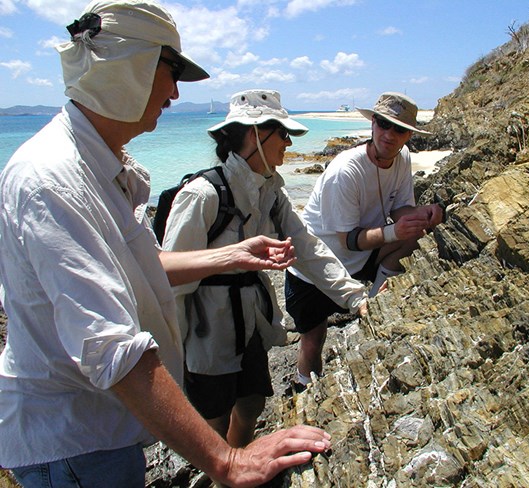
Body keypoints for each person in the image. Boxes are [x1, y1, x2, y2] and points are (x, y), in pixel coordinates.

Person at [0, 2, 330, 487]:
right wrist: (227, 461)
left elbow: (138, 265)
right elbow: (109, 347)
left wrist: (230, 256)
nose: (175, 94)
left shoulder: (98, 167)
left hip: (103, 431)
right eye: (170, 70)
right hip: (74, 443)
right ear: (127, 64)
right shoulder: (54, 180)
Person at [162, 89, 368, 445]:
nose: (288, 143)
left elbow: (307, 247)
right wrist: (173, 355)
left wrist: (355, 297)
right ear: (255, 134)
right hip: (205, 331)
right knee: (213, 420)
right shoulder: (202, 195)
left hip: (251, 318)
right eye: (284, 134)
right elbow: (168, 278)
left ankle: (236, 462)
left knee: (253, 403)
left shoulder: (272, 192)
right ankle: (224, 471)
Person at [285, 92, 444, 387]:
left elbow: (400, 208)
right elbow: (348, 241)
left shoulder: (402, 158)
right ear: (373, 123)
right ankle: (303, 385)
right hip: (317, 266)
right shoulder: (347, 171)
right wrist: (396, 230)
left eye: (399, 129)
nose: (389, 134)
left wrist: (421, 215)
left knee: (415, 236)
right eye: (383, 124)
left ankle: (370, 311)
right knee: (313, 337)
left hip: (361, 252)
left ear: (409, 134)